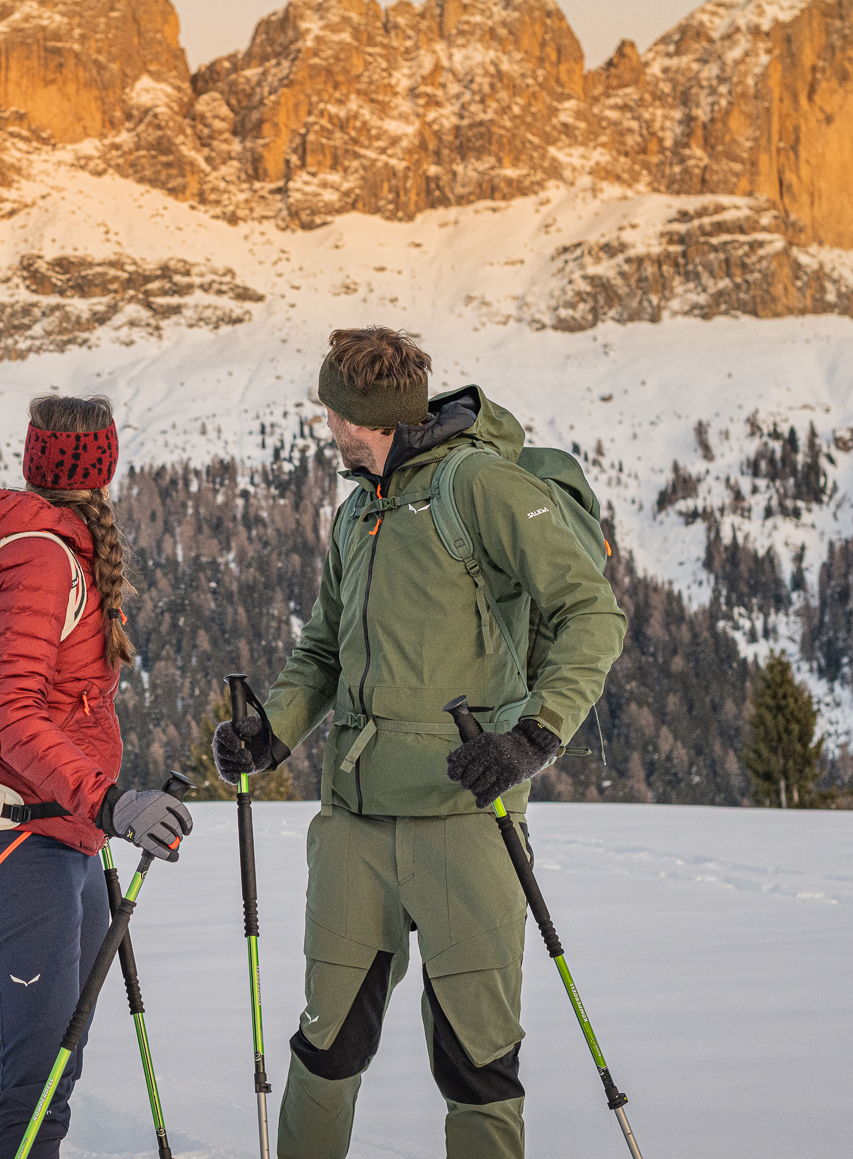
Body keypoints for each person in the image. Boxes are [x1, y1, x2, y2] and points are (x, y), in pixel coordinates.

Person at [214, 328, 626, 1159]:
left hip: (465, 815)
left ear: (369, 417)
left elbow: (594, 614)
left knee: (477, 1060)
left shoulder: (478, 488)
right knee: (325, 1046)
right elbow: (325, 651)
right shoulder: (357, 510)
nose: (325, 423)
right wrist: (273, 735)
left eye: (334, 410)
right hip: (355, 824)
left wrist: (535, 737)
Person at [0, 393, 195, 1159]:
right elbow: (11, 714)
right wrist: (112, 801)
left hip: (60, 834)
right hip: (9, 840)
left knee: (56, 1072)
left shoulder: (58, 550)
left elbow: (58, 707)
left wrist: (98, 810)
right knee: (37, 1086)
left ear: (33, 457)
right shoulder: (40, 558)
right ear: (106, 463)